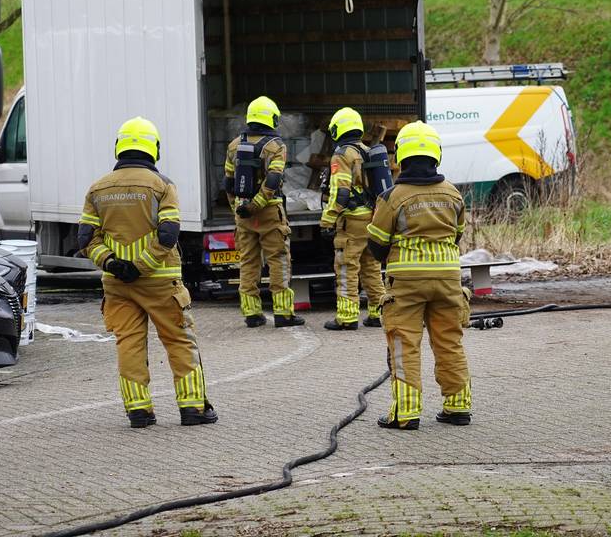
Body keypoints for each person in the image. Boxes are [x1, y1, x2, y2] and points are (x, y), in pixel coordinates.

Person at [80, 117, 217, 428]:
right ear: (154, 148)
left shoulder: (98, 188)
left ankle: (139, 411)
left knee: (129, 344)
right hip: (160, 282)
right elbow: (168, 233)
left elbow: (86, 239)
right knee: (180, 341)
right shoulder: (162, 186)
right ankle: (194, 409)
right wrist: (142, 265)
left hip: (117, 285)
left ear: (119, 147)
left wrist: (114, 264)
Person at [367, 121, 471, 430]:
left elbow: (375, 245)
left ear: (401, 155)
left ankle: (406, 413)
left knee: (404, 343)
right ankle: (458, 407)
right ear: (436, 154)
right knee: (449, 341)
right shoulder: (453, 194)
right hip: (449, 280)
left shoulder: (392, 197)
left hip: (407, 283)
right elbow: (458, 235)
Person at [223, 96, 304, 328]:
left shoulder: (233, 145)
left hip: (244, 215)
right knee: (279, 261)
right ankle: (283, 313)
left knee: (248, 262)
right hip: (269, 212)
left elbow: (228, 183)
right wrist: (257, 205)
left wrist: (238, 210)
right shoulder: (276, 147)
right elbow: (274, 178)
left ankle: (251, 314)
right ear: (272, 119)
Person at [320, 107, 387, 330]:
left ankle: (347, 317)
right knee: (372, 269)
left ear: (338, 129)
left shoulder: (341, 154)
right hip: (372, 219)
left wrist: (327, 220)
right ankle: (379, 314)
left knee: (347, 268)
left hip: (351, 222)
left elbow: (340, 192)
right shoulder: (367, 151)